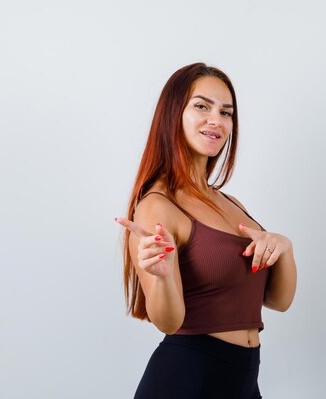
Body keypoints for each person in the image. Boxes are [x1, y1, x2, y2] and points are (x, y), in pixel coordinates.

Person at [114, 62, 297, 398]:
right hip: (186, 382)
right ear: (173, 114)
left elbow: (278, 300)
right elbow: (168, 322)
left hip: (243, 383)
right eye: (202, 106)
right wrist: (164, 274)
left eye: (226, 112)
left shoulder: (231, 202)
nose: (217, 120)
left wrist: (283, 247)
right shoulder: (158, 205)